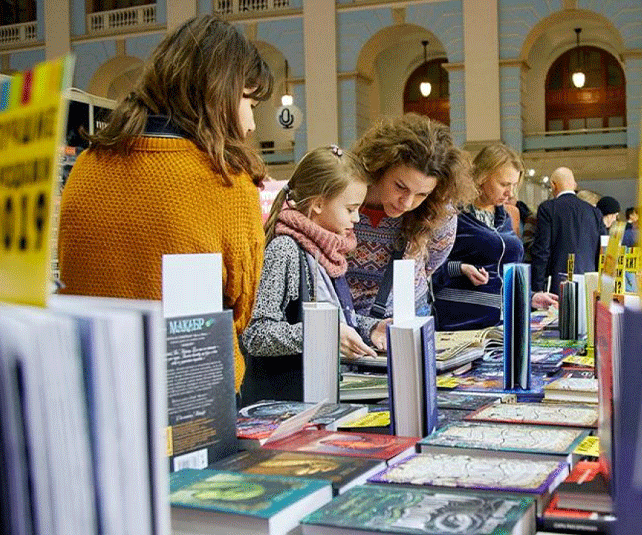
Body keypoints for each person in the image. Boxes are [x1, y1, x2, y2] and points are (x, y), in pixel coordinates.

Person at [57, 15, 272, 393]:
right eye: (247, 100)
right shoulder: (226, 180)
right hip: (195, 399)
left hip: (92, 388)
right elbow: (241, 311)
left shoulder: (86, 165)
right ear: (218, 91)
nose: (251, 123)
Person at [240, 146, 390, 406]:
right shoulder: (284, 249)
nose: (356, 218)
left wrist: (371, 327)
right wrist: (324, 334)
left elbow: (336, 318)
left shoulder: (327, 249)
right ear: (319, 203)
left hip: (319, 399)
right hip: (288, 407)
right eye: (351, 209)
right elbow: (256, 334)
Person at [346, 114, 474, 319]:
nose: (406, 203)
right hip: (346, 319)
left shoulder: (441, 210)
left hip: (410, 315)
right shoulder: (344, 194)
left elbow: (433, 262)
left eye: (422, 194)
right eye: (400, 186)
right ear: (380, 167)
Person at [432, 144, 557, 330]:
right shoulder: (452, 214)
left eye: (514, 185)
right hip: (461, 325)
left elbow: (503, 272)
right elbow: (426, 270)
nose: (511, 193)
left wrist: (530, 297)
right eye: (504, 184)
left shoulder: (505, 217)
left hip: (501, 327)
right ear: (481, 177)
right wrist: (460, 268)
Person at [531, 167, 604, 294]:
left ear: (553, 185)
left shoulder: (548, 208)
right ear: (574, 184)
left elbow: (542, 251)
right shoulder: (594, 212)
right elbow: (602, 250)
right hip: (589, 285)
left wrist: (537, 289)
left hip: (558, 284)